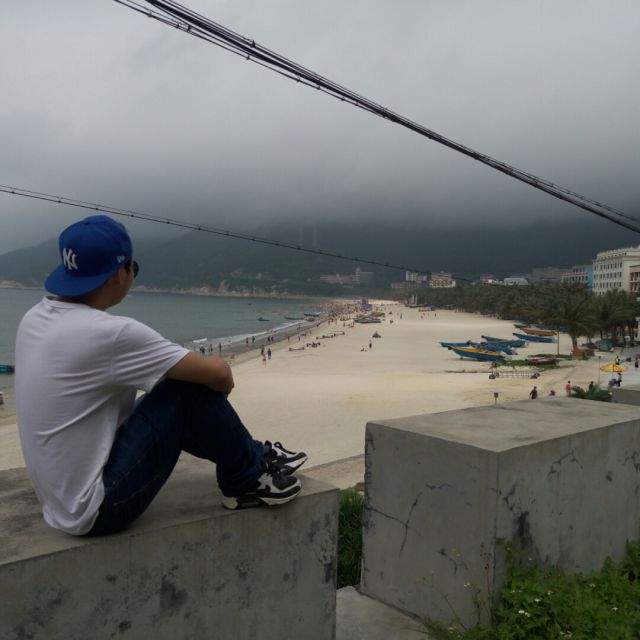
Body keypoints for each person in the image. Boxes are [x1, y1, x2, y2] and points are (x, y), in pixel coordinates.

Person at [15, 215, 307, 537]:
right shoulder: (111, 333)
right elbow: (221, 374)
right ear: (119, 274)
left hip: (58, 500)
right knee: (187, 388)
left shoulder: (35, 318)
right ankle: (246, 479)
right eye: (134, 267)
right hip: (99, 509)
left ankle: (254, 454)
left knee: (179, 389)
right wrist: (210, 401)